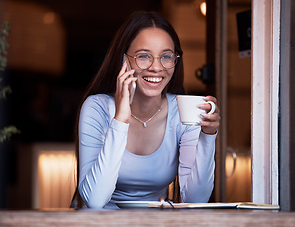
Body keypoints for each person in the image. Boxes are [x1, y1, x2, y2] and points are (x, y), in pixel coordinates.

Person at [74, 11, 221, 209]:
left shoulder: (181, 111)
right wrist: (120, 119)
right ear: (124, 60)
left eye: (166, 56)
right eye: (144, 56)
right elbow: (95, 200)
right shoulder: (97, 108)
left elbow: (195, 200)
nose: (156, 67)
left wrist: (207, 136)